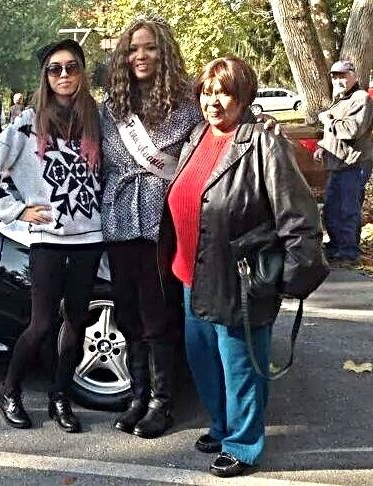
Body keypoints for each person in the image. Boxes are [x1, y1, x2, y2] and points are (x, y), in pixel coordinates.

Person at [159, 56, 328, 477]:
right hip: (190, 275)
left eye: (224, 93)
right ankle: (220, 426)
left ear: (244, 97)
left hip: (240, 280)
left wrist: (292, 278)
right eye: (207, 92)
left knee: (241, 368)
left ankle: (244, 444)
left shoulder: (263, 142)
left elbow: (298, 214)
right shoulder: (197, 135)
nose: (213, 102)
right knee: (204, 362)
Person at [0, 39, 102, 433]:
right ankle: (10, 390)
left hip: (90, 236)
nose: (64, 75)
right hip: (48, 239)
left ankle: (60, 398)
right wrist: (17, 209)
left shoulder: (97, 120)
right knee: (42, 322)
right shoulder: (27, 122)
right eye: (55, 69)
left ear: (82, 72)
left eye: (72, 67)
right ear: (45, 76)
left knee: (78, 321)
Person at [100, 15, 203, 440]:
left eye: (150, 48)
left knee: (159, 314)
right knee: (127, 312)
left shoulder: (189, 104)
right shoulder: (111, 110)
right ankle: (138, 396)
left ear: (165, 53)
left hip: (164, 224)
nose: (140, 56)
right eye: (132, 49)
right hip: (120, 221)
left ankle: (163, 401)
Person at [314, 60, 373, 263]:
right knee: (331, 207)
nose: (339, 80)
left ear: (353, 75)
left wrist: (328, 120)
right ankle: (336, 246)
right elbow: (335, 132)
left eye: (343, 75)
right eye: (335, 76)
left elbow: (351, 131)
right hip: (337, 162)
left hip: (355, 163)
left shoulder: (361, 98)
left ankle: (349, 252)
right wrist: (323, 146)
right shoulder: (340, 99)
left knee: (348, 209)